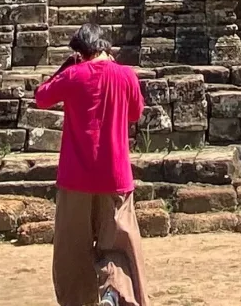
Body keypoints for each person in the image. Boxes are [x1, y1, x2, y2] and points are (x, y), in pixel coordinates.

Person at [34, 22, 148, 306]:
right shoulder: (125, 75)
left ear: (80, 53)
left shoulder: (73, 75)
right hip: (115, 176)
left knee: (72, 250)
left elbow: (41, 97)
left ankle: (79, 301)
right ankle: (115, 292)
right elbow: (135, 113)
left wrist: (64, 69)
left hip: (76, 178)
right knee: (119, 245)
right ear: (105, 47)